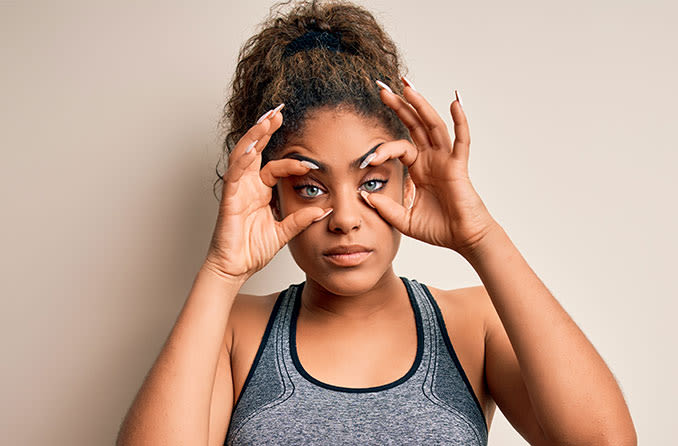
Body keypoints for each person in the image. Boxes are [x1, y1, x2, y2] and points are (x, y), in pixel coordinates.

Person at [116, 1, 637, 445]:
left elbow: (604, 440)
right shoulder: (235, 331)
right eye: (311, 187)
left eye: (371, 182)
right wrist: (222, 269)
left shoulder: (472, 324)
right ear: (270, 196)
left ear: (409, 183)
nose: (345, 219)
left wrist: (480, 236)